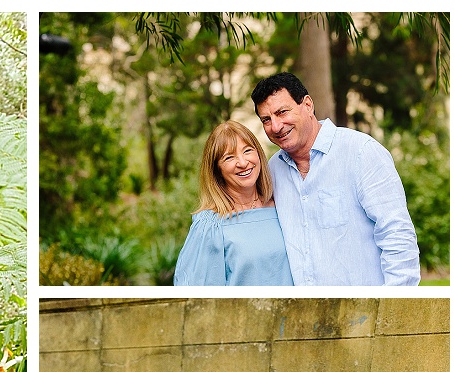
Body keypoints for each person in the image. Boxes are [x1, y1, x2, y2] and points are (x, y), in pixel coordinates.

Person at [252, 72, 420, 285]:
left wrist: (395, 308)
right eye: (266, 120)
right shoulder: (272, 170)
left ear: (307, 105)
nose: (275, 126)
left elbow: (398, 236)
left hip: (365, 310)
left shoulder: (361, 152)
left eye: (282, 112)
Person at [174, 122, 294, 285]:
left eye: (247, 151)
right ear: (217, 170)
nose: (243, 162)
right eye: (229, 157)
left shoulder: (283, 206)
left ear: (258, 153)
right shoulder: (210, 225)